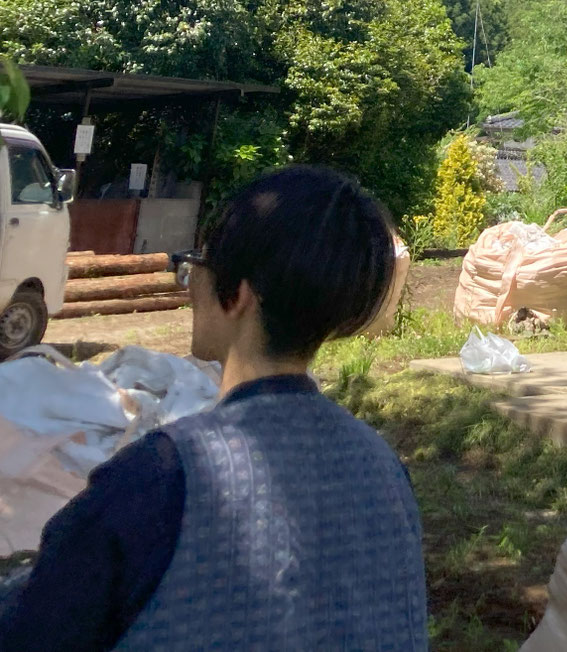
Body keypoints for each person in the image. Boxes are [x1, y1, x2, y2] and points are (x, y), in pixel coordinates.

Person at [0, 166, 428, 651]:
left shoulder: (164, 476)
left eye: (196, 263)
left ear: (238, 295)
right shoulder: (386, 471)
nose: (188, 284)